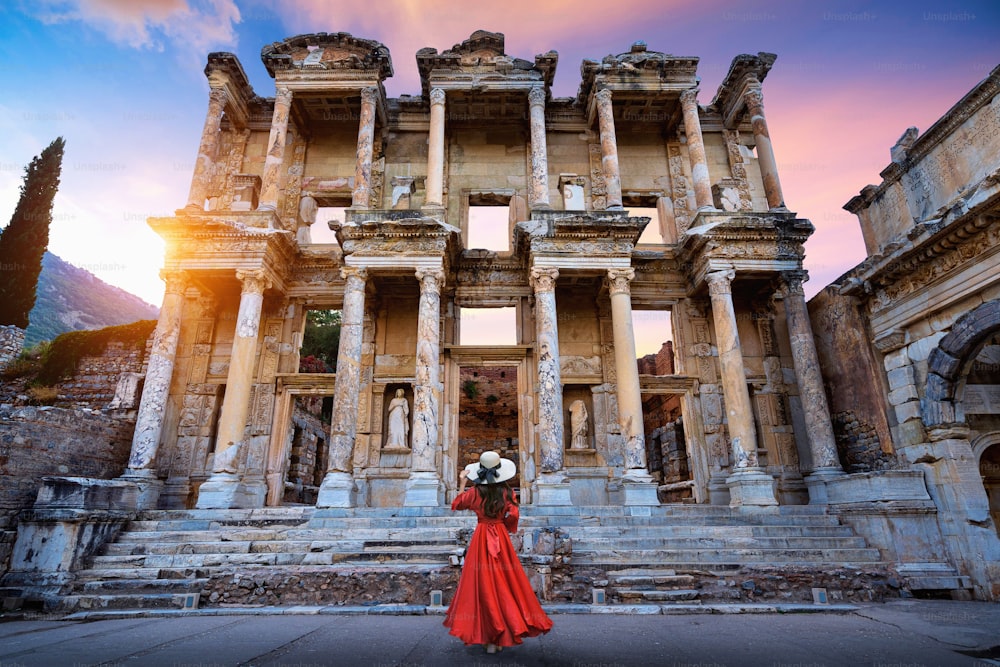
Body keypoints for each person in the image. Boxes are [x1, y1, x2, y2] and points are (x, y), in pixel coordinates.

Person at [443, 451, 553, 653]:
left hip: (481, 538)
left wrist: (462, 482)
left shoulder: (475, 493)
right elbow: (513, 515)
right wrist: (505, 520)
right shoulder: (506, 492)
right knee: (505, 583)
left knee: (482, 585)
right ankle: (502, 634)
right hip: (500, 537)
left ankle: (488, 639)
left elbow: (457, 504)